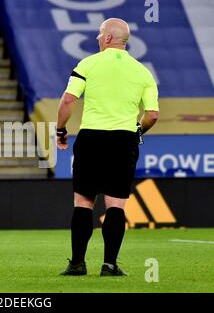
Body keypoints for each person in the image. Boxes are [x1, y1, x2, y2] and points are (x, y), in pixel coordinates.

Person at [56, 18, 159, 276]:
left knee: (83, 202)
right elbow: (153, 115)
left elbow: (68, 100)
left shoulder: (88, 64)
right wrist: (138, 130)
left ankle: (77, 263)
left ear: (109, 38)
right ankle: (110, 265)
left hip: (92, 139)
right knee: (116, 205)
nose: (98, 38)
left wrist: (60, 130)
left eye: (100, 34)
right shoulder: (143, 72)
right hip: (123, 141)